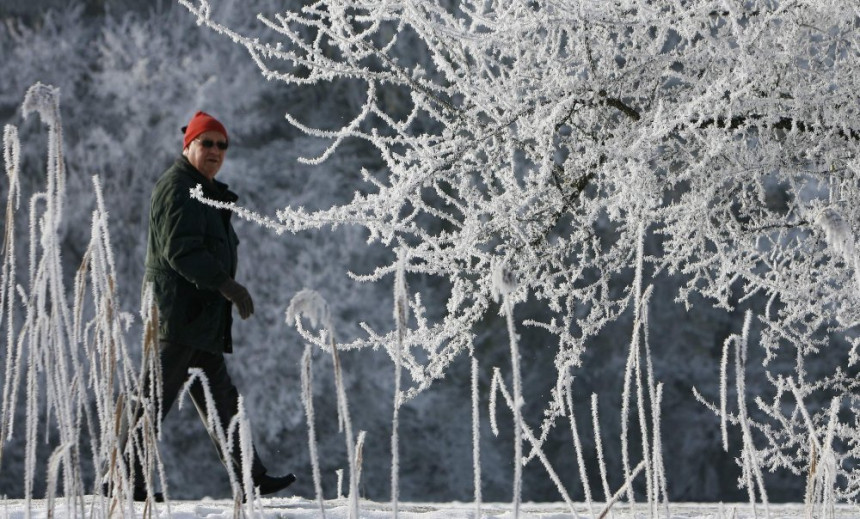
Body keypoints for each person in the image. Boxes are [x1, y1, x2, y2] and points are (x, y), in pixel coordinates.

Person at [123, 111, 295, 501]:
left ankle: (250, 476)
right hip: (178, 316)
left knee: (222, 399)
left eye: (222, 144)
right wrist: (227, 285)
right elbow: (181, 250)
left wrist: (224, 289)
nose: (216, 150)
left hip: (199, 319)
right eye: (207, 143)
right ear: (189, 146)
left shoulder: (202, 189)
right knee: (153, 397)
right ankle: (122, 478)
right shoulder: (179, 187)